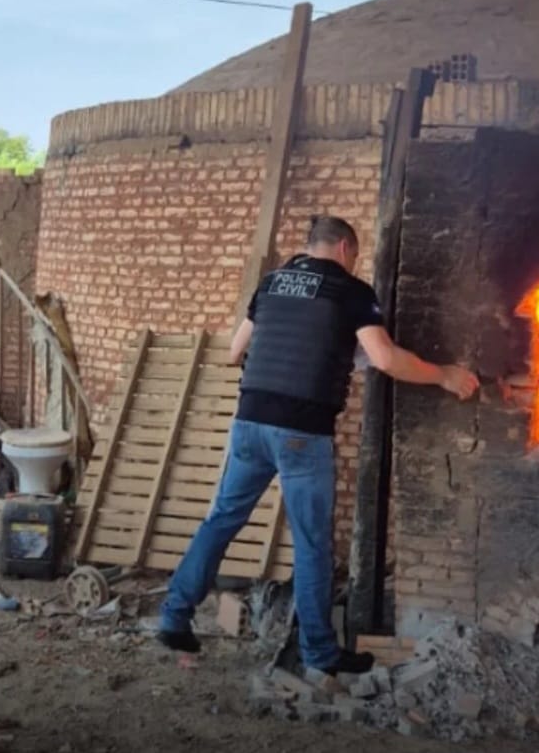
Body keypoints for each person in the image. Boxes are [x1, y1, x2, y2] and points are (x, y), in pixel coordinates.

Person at [158, 215, 479, 675]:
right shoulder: (350, 290)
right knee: (311, 544)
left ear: (311, 245)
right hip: (301, 432)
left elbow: (234, 351)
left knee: (222, 519)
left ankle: (174, 615)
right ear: (346, 248)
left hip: (249, 422)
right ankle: (320, 653)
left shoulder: (272, 282)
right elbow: (385, 358)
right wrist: (443, 374)